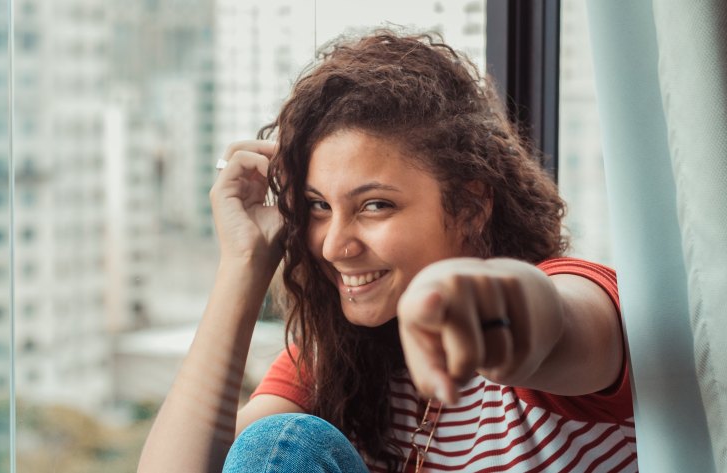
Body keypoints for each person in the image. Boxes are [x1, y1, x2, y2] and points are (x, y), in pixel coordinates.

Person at [137, 30, 636, 473]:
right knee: (281, 445)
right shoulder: (339, 360)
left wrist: (494, 304)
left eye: (375, 205)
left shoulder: (572, 292)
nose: (335, 244)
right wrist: (242, 267)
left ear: (472, 204)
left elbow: (555, 320)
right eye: (317, 206)